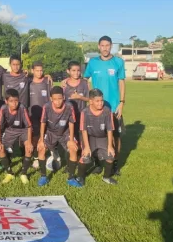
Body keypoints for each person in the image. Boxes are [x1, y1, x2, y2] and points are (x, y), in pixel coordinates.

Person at [83, 36, 126, 175]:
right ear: (98, 46)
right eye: (103, 45)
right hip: (96, 109)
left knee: (116, 137)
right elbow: (84, 79)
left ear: (111, 46)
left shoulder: (118, 62)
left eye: (108, 45)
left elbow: (121, 82)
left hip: (113, 107)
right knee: (95, 136)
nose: (105, 48)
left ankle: (114, 164)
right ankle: (97, 164)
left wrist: (122, 102)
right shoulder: (93, 63)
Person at [37, 86, 81, 187]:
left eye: (60, 98)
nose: (58, 102)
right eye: (55, 99)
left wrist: (71, 139)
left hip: (65, 133)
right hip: (50, 132)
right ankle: (43, 176)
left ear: (64, 97)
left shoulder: (69, 106)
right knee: (41, 148)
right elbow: (43, 123)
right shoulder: (46, 107)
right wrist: (41, 139)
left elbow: (71, 123)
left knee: (73, 149)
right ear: (51, 99)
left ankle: (71, 178)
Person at [76, 89, 118, 185]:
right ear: (90, 101)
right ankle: (80, 177)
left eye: (102, 100)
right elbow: (84, 130)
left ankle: (106, 177)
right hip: (89, 137)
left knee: (111, 155)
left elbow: (110, 129)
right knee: (85, 156)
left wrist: (110, 145)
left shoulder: (107, 111)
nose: (100, 103)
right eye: (97, 101)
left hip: (102, 137)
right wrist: (86, 147)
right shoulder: (85, 112)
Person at [0, 89, 33, 185]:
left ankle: (23, 173)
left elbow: (29, 126)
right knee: (0, 148)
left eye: (16, 100)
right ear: (6, 101)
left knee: (28, 148)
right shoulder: (3, 109)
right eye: (11, 101)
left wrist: (29, 142)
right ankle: (10, 173)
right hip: (10, 130)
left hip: (23, 130)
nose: (14, 103)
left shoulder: (22, 108)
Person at [28, 61, 52, 169]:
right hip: (32, 114)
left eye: (41, 70)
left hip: (45, 113)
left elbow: (52, 97)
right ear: (32, 71)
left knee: (47, 134)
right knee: (35, 135)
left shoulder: (47, 81)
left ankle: (51, 155)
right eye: (37, 70)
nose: (39, 72)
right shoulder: (28, 82)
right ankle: (36, 158)